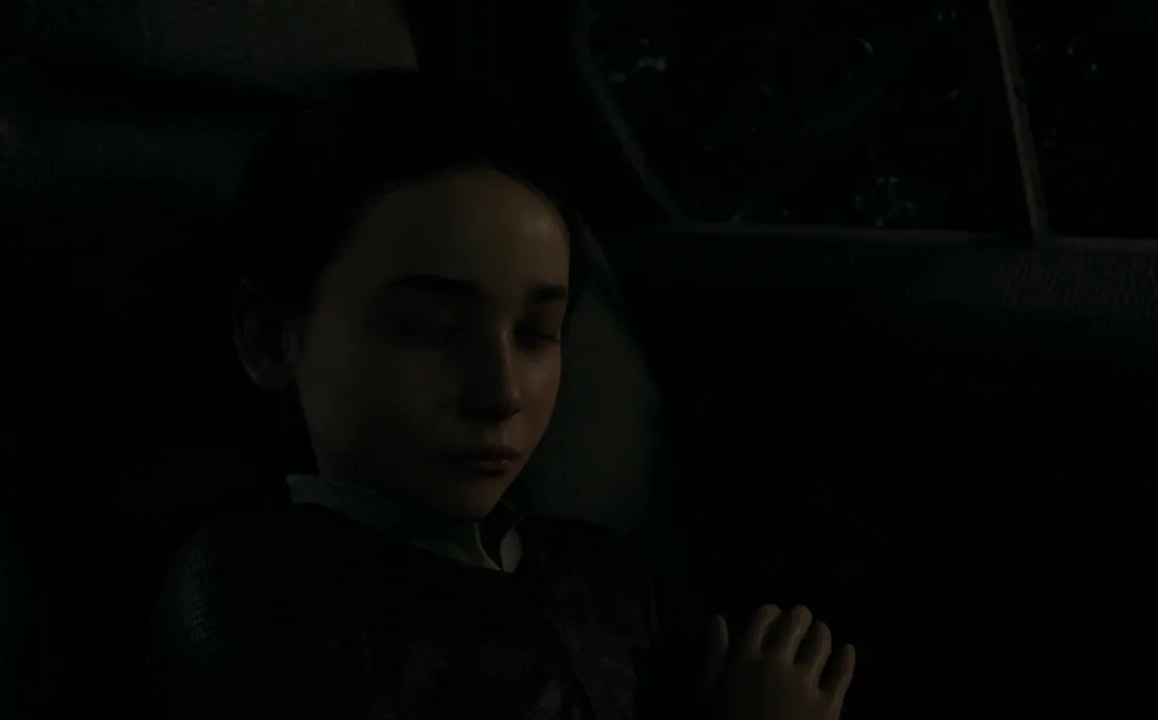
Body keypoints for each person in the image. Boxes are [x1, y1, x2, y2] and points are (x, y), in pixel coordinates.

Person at [145, 69, 855, 720]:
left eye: (538, 333)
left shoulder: (604, 576)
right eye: (429, 330)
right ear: (270, 338)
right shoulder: (257, 592)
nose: (503, 393)